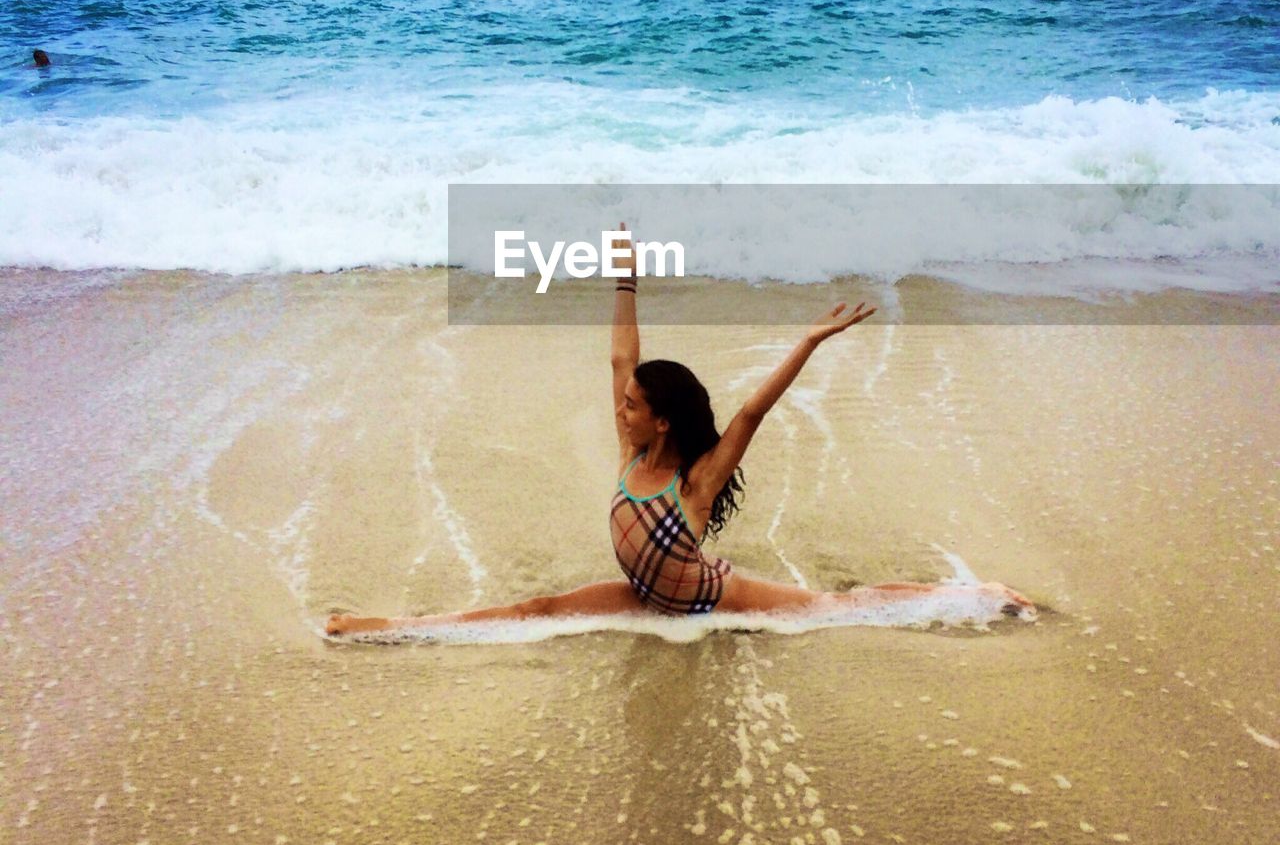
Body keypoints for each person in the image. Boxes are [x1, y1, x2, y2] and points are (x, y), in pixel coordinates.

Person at [326, 227, 1033, 636]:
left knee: (835, 609)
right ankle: (391, 630)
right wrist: (625, 281)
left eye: (632, 404)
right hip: (644, 595)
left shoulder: (694, 483)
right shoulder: (631, 450)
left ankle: (976, 594)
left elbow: (752, 412)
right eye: (624, 402)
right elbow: (622, 356)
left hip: (707, 595)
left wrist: (810, 341)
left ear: (663, 419)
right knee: (536, 609)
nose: (621, 406)